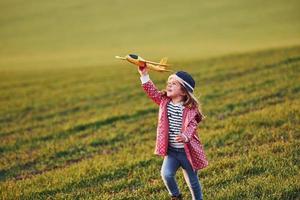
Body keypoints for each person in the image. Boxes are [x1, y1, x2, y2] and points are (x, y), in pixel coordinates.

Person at [138, 64, 208, 200]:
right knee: (166, 174)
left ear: (183, 91)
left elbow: (192, 126)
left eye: (174, 83)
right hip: (172, 152)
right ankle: (175, 196)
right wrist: (144, 75)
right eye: (169, 83)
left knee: (192, 181)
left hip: (187, 152)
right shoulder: (164, 101)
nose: (169, 85)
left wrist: (185, 136)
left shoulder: (190, 109)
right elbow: (152, 92)